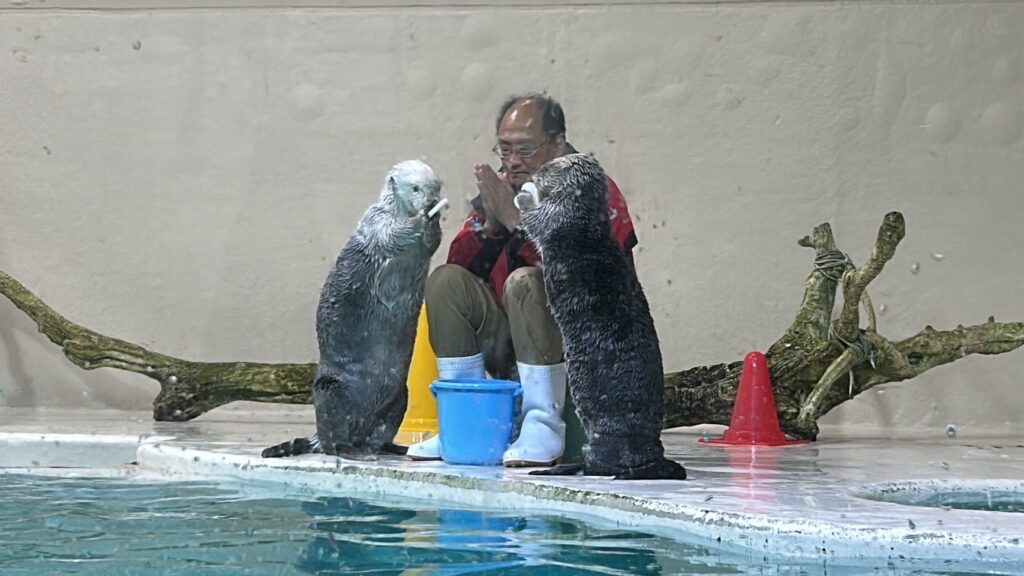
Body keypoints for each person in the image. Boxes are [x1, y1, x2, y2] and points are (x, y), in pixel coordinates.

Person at [407, 93, 638, 466]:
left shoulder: (589, 189)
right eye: (505, 150)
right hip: (511, 348)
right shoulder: (503, 188)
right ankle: (464, 420)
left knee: (526, 282)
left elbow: (593, 276)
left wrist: (517, 222)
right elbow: (462, 269)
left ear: (558, 145)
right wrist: (490, 228)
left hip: (581, 353)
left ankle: (543, 425)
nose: (513, 162)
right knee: (445, 282)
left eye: (526, 151)